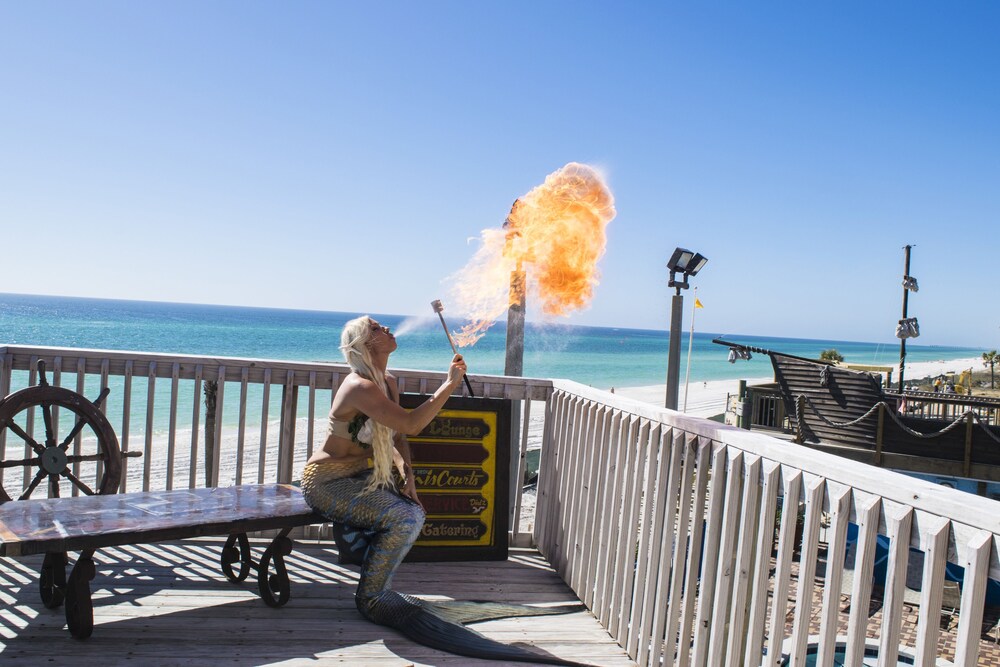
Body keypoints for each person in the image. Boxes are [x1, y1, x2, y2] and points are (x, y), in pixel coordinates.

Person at [301, 315, 586, 666]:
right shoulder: (358, 386)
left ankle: (372, 576)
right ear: (364, 345)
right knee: (405, 516)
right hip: (328, 482)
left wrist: (409, 476)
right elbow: (412, 423)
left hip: (362, 477)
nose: (387, 329)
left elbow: (398, 435)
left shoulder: (387, 381)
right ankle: (372, 596)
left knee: (412, 509)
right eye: (375, 328)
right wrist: (448, 385)